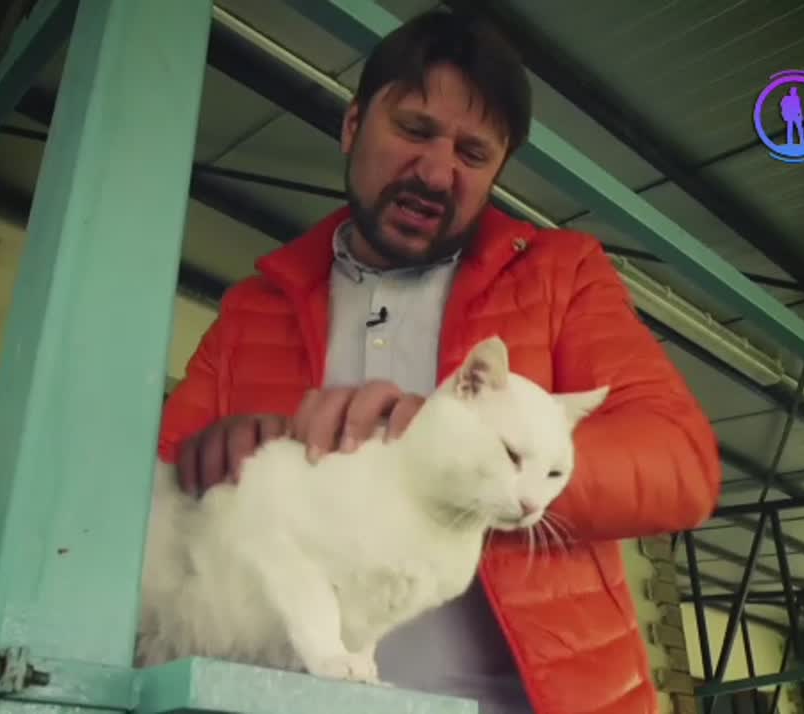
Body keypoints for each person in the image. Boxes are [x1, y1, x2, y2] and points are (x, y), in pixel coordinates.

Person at [157, 10, 721, 714]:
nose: (434, 171)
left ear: (498, 171)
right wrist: (211, 463)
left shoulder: (561, 275)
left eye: (473, 154)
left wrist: (467, 456)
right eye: (414, 130)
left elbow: (681, 462)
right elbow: (155, 506)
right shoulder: (254, 310)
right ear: (353, 124)